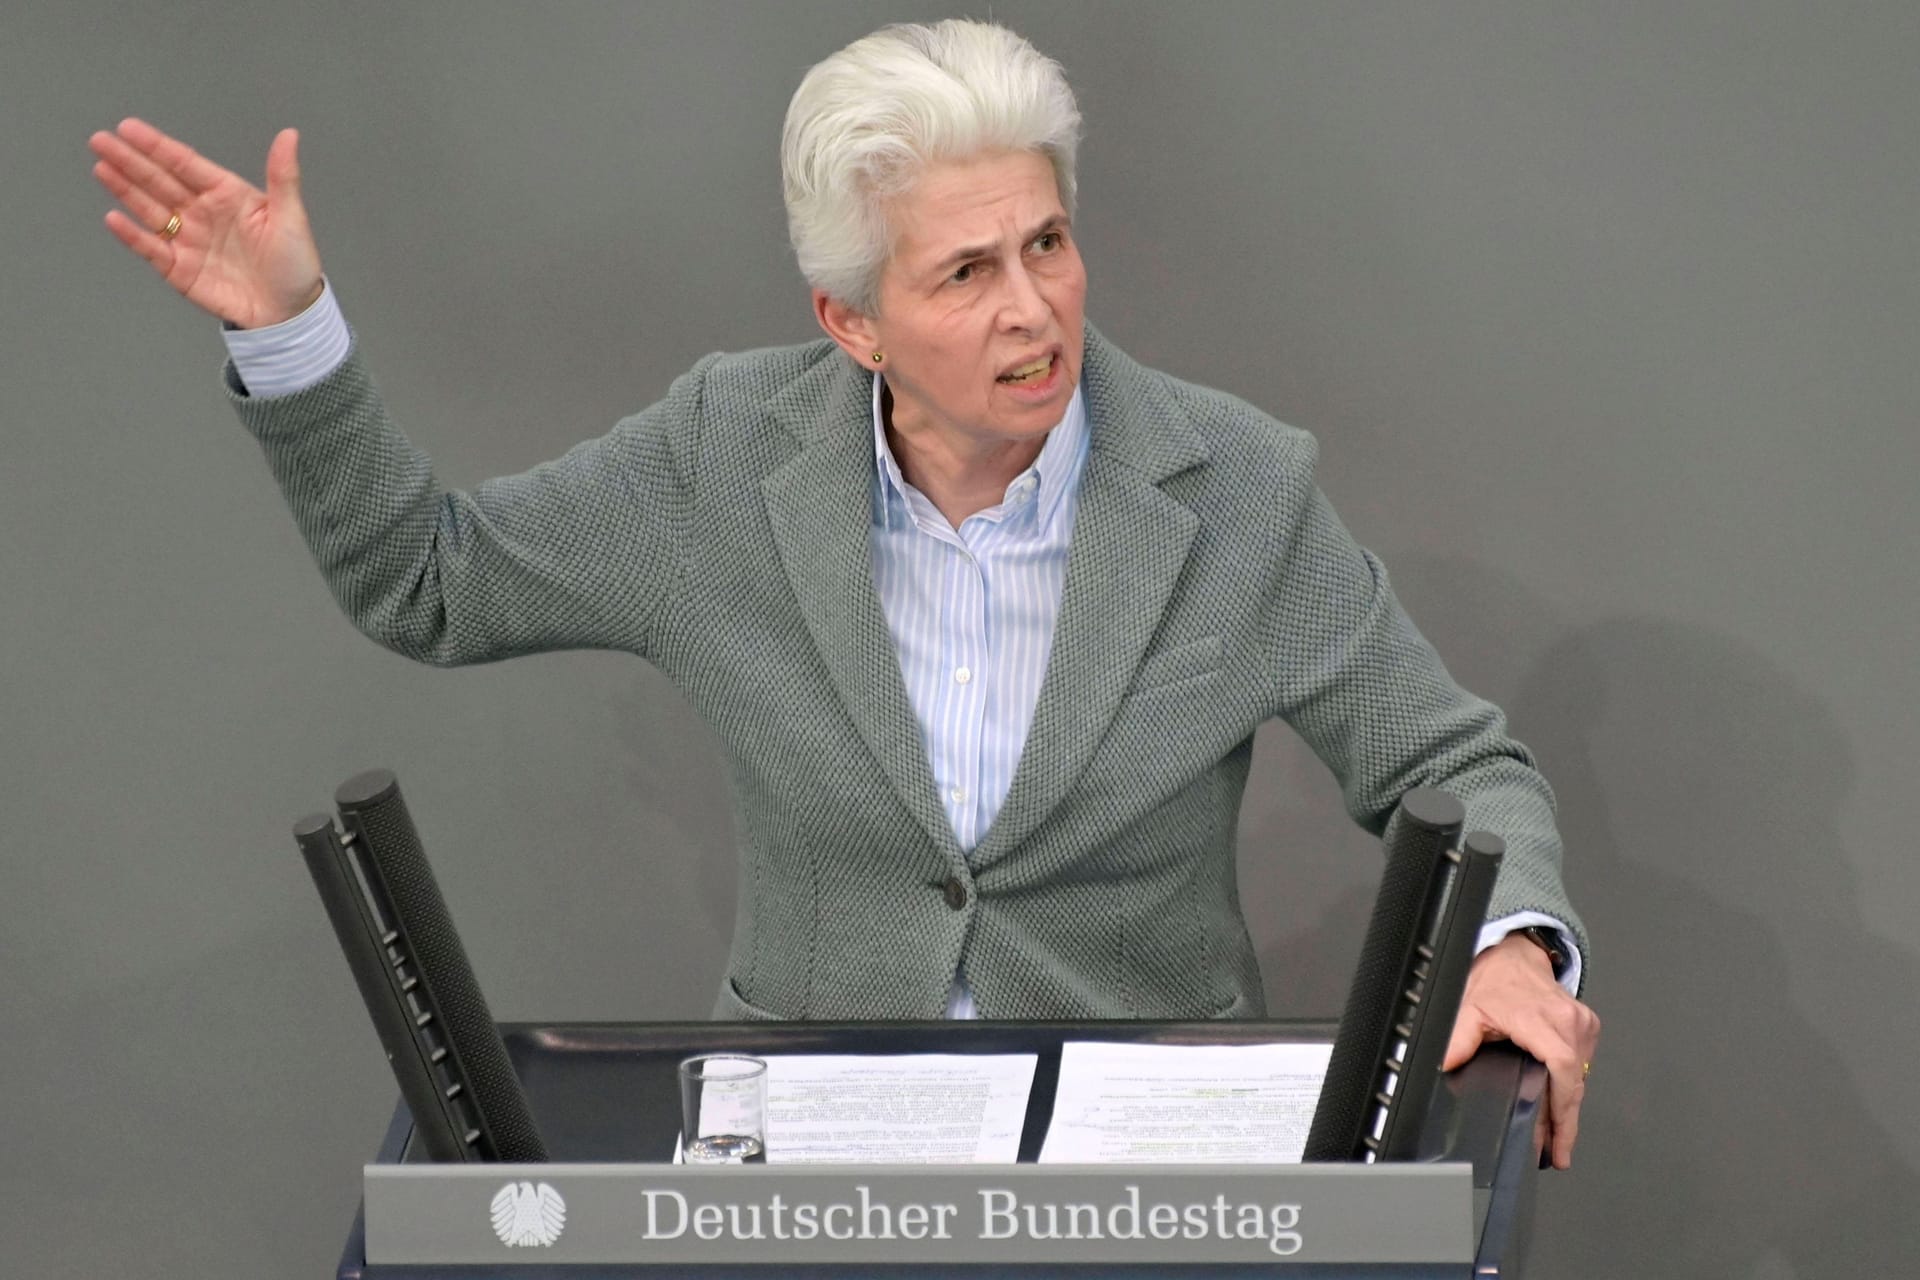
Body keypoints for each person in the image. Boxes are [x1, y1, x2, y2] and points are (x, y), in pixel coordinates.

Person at [90, 19, 1599, 1165]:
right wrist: (292, 338)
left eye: (1050, 245)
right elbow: (429, 579)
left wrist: (1515, 950)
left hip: (1139, 1155)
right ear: (850, 319)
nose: (1033, 309)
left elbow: (1452, 761)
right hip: (816, 1145)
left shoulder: (1238, 487)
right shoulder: (718, 463)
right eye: (963, 275)